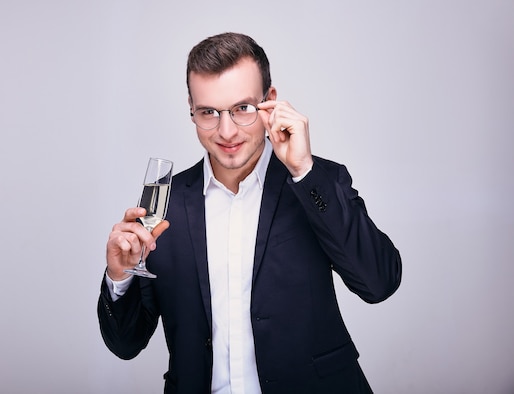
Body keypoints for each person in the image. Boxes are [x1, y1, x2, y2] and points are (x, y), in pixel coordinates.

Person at [98, 32, 402, 394]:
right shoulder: (164, 201)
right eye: (208, 112)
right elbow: (125, 344)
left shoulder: (317, 181)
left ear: (270, 102)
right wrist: (120, 277)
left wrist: (304, 172)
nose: (226, 132)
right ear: (192, 111)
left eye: (242, 108)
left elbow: (379, 283)